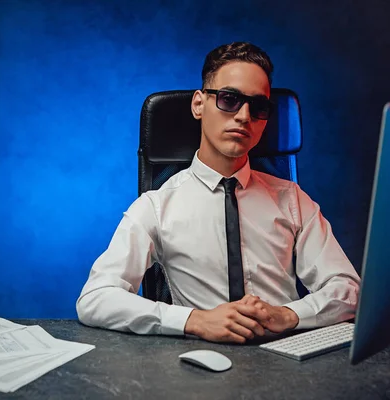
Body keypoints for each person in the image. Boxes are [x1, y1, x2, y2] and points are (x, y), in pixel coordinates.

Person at [76, 42, 361, 344]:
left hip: (289, 353)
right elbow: (95, 298)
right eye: (229, 99)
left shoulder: (292, 200)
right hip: (201, 362)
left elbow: (348, 289)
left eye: (258, 106)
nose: (244, 116)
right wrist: (194, 320)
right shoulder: (157, 207)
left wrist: (288, 315)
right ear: (199, 104)